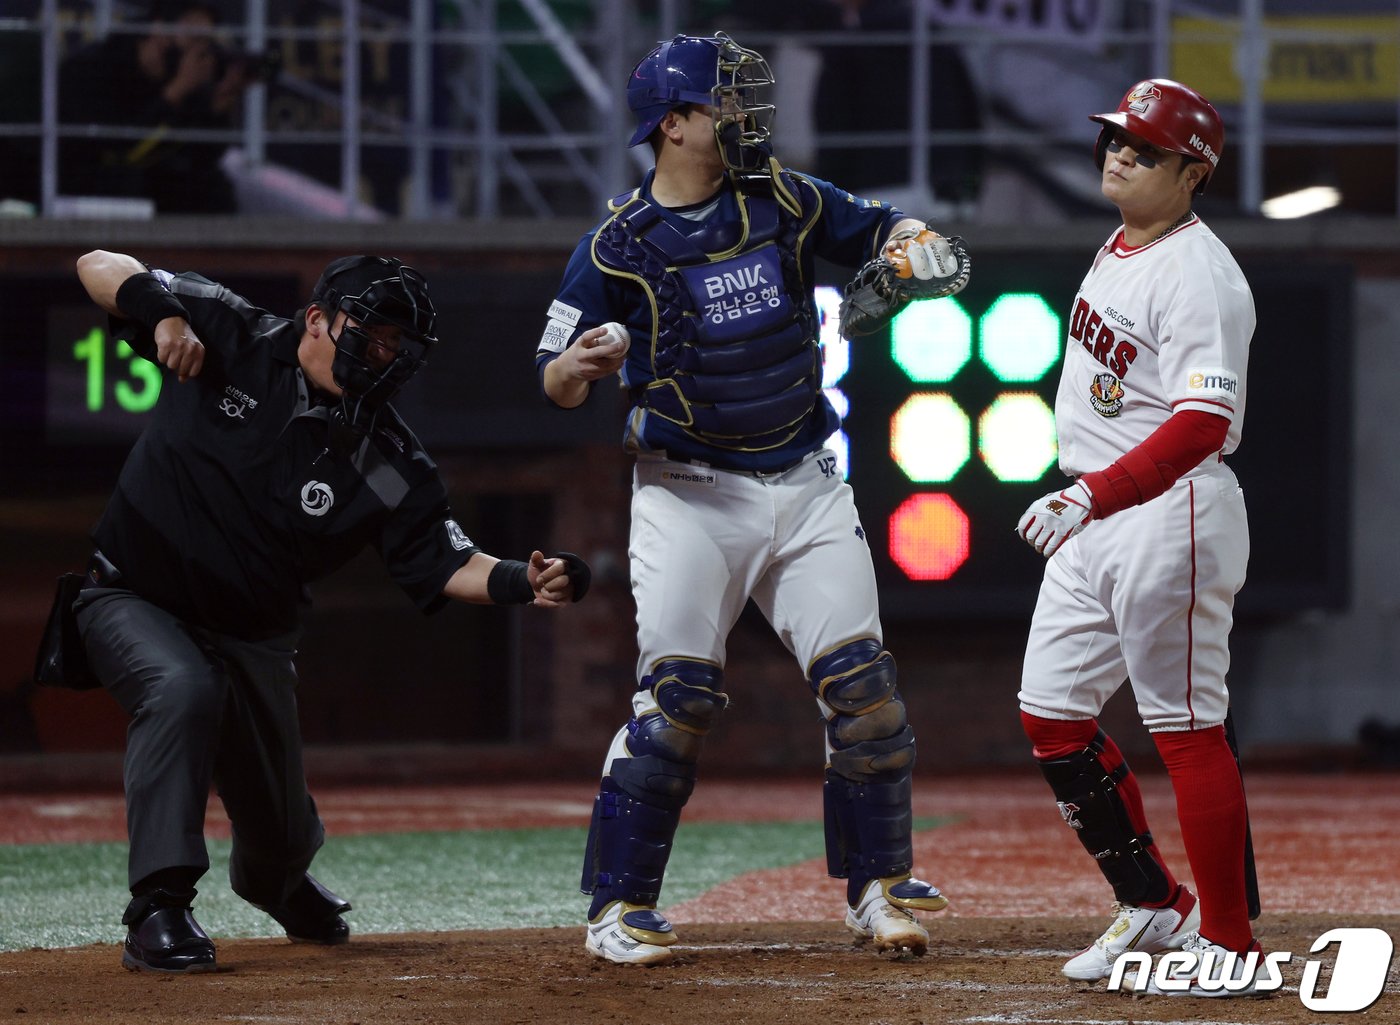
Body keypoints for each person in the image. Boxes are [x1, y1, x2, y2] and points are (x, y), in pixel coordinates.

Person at [536, 31, 965, 965]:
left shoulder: (787, 201)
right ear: (673, 123)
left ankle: (879, 886)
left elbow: (884, 227)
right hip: (689, 492)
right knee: (677, 699)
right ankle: (619, 906)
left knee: (867, 694)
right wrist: (576, 364)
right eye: (723, 103)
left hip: (806, 483)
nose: (742, 118)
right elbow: (554, 379)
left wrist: (912, 244)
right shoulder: (613, 247)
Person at [73, 249, 589, 973]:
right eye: (371, 332)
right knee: (182, 687)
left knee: (281, 833)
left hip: (254, 633)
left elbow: (447, 560)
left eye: (396, 343)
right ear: (316, 318)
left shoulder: (387, 458)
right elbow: (98, 262)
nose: (384, 354)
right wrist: (160, 316)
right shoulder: (235, 334)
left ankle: (278, 881)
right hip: (133, 594)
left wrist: (524, 579)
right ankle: (158, 905)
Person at [1014, 79, 1259, 997]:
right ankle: (1156, 902)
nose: (1119, 154)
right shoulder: (1121, 244)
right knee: (1052, 712)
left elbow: (1202, 423)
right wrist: (1090, 499)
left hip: (1170, 510)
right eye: (1117, 139)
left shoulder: (1201, 272)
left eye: (1146, 149)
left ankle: (1231, 947)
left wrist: (1094, 495)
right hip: (1100, 515)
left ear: (1193, 171)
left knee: (1188, 730)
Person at [58, 1, 262, 213]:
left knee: (214, 187)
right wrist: (174, 94)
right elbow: (123, 151)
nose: (200, 51)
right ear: (159, 28)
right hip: (86, 177)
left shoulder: (182, 78)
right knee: (129, 181)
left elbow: (201, 157)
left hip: (151, 178)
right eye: (194, 38)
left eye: (206, 41)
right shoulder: (93, 69)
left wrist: (219, 105)